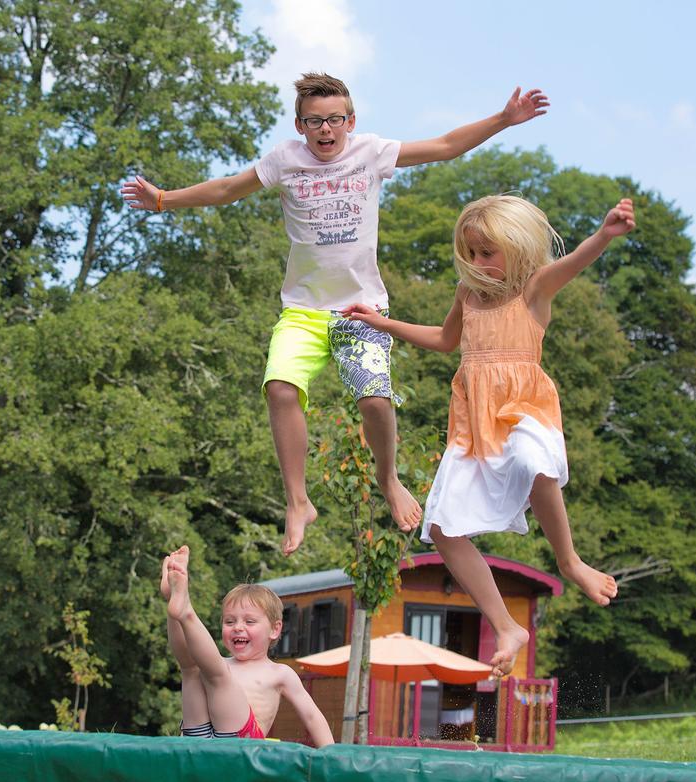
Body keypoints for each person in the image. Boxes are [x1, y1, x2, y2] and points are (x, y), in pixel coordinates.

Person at [123, 73, 549, 556]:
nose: (326, 130)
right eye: (314, 122)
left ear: (350, 120)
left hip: (361, 310)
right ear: (300, 125)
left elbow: (446, 145)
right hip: (303, 311)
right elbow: (226, 189)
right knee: (280, 389)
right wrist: (162, 200)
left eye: (334, 120)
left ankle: (388, 480)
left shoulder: (369, 152)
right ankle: (298, 501)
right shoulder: (285, 160)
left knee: (373, 400)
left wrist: (504, 119)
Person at [342, 196, 634, 676]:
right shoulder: (467, 294)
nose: (477, 263)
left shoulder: (535, 290)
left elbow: (573, 262)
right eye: (471, 253)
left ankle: (570, 560)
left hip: (523, 410)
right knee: (440, 527)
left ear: (517, 250)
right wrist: (382, 323)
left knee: (533, 461)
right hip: (473, 426)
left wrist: (604, 235)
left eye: (488, 253)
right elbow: (443, 339)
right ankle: (505, 626)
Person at [161, 545, 334, 746]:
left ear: (274, 629)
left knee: (217, 673)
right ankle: (176, 602)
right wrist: (172, 603)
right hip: (198, 738)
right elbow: (187, 658)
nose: (238, 628)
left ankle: (186, 611)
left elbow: (312, 716)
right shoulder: (216, 665)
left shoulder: (279, 672)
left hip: (243, 744)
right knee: (191, 669)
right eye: (229, 622)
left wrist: (330, 755)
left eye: (249, 622)